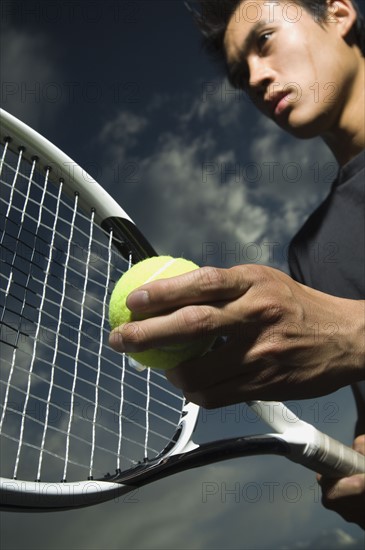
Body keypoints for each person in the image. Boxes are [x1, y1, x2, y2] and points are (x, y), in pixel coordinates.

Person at [110, 0, 365, 528]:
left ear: (339, 13)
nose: (254, 76)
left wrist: (351, 334)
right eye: (238, 73)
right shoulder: (313, 249)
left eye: (265, 40)